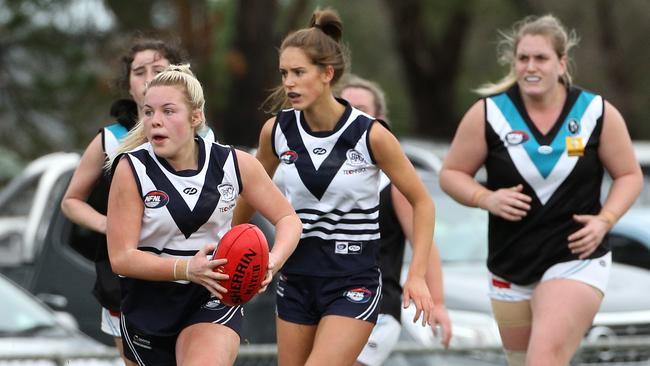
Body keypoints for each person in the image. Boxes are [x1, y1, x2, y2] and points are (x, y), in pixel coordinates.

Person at [233, 8, 435, 366]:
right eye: (284, 74)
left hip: (352, 280)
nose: (289, 83)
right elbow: (251, 191)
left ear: (327, 74)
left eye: (299, 72)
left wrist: (416, 275)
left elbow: (422, 202)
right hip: (296, 279)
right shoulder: (276, 132)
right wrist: (231, 245)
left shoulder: (370, 134)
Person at [439, 14, 642, 366]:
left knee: (543, 359)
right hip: (510, 263)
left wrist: (604, 220)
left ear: (561, 63)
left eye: (541, 58)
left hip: (576, 258)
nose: (531, 67)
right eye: (523, 58)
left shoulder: (595, 112)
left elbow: (629, 175)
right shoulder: (489, 113)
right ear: (514, 63)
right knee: (523, 362)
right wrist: (486, 197)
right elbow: (452, 173)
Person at [105, 64, 302, 365]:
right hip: (149, 304)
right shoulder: (132, 169)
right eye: (148, 112)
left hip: (214, 296)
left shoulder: (234, 164)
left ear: (195, 117)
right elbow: (121, 257)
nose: (155, 121)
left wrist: (272, 262)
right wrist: (186, 269)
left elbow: (289, 220)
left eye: (168, 111)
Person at [61, 36, 190, 366]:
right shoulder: (111, 139)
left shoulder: (200, 137)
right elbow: (71, 201)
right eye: (139, 71)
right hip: (124, 279)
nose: (148, 77)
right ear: (128, 84)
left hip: (188, 274)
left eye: (158, 69)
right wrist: (109, 224)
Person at [338, 75, 451, 366]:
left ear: (380, 119)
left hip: (378, 306)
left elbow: (425, 244)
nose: (353, 116)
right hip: (327, 302)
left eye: (361, 109)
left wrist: (438, 303)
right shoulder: (323, 175)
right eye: (345, 107)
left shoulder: (391, 179)